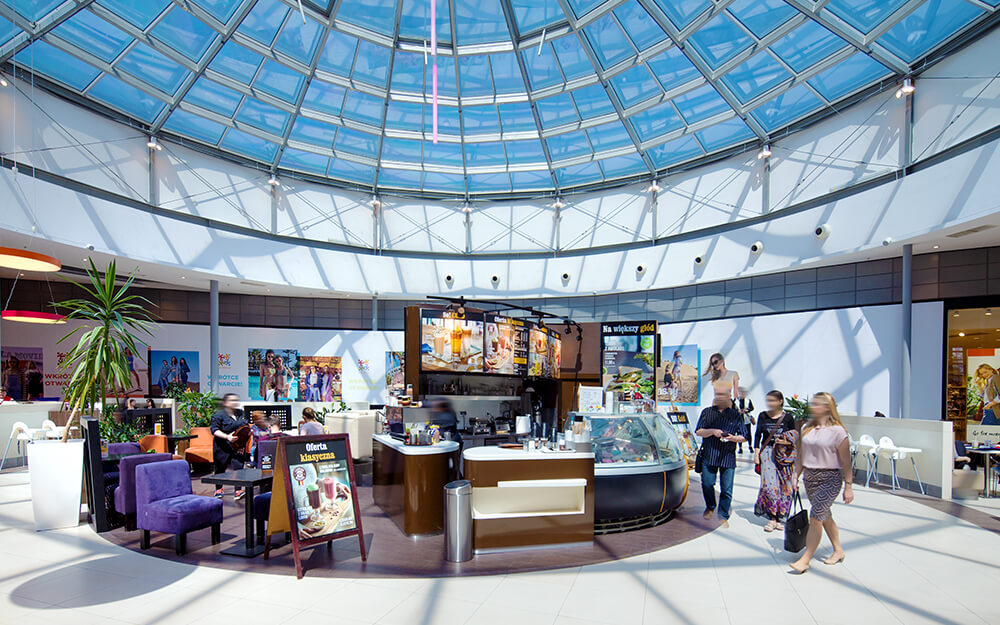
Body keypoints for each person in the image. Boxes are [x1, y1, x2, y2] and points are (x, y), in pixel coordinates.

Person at [790, 392, 853, 574]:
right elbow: (801, 455)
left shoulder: (839, 432)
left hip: (830, 478)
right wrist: (795, 476)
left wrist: (848, 486)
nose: (812, 407)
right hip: (810, 478)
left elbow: (846, 462)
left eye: (817, 404)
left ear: (826, 407)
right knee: (824, 516)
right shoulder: (806, 428)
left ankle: (805, 559)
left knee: (816, 516)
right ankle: (838, 550)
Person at [695, 388, 745, 527]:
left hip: (728, 457)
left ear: (729, 397)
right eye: (718, 394)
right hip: (710, 455)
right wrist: (713, 431)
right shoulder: (707, 412)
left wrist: (733, 438)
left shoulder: (735, 415)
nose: (720, 397)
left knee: (727, 489)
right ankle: (710, 506)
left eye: (723, 395)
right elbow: (698, 431)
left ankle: (723, 514)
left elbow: (744, 436)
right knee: (707, 483)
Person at [753, 390, 797, 532]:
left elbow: (794, 436)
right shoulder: (763, 416)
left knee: (785, 486)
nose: (770, 403)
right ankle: (772, 517)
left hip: (784, 454)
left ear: (780, 401)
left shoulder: (788, 418)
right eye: (768, 400)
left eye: (772, 400)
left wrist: (784, 442)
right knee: (770, 486)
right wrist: (756, 454)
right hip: (767, 453)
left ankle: (780, 516)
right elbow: (758, 435)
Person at [210, 393, 249, 499]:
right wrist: (227, 437)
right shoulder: (218, 415)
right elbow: (214, 430)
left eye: (236, 400)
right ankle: (218, 489)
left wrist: (243, 442)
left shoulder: (240, 413)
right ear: (225, 403)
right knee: (220, 468)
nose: (235, 402)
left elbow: (245, 427)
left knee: (239, 467)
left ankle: (238, 490)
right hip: (222, 446)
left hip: (238, 446)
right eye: (232, 400)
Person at [735, 387, 755, 454]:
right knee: (739, 433)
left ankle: (750, 446)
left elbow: (752, 408)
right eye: (741, 392)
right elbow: (732, 408)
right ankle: (740, 448)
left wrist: (747, 410)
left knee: (748, 433)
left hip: (747, 419)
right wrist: (738, 411)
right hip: (739, 420)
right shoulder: (736, 400)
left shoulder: (748, 400)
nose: (742, 393)